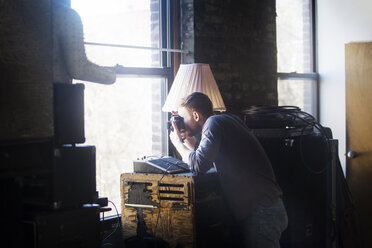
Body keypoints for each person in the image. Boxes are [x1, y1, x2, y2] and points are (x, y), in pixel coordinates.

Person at [169, 92, 288, 248]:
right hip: (268, 206)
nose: (181, 123)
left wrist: (178, 144)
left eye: (183, 118)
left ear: (196, 115)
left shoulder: (213, 123)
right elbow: (208, 158)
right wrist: (189, 142)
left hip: (262, 211)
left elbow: (200, 165)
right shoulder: (227, 120)